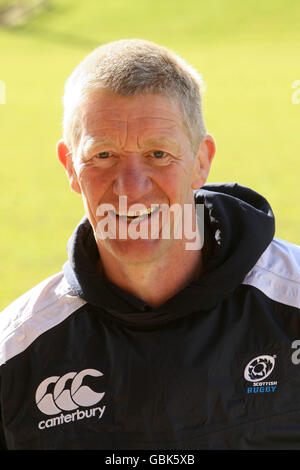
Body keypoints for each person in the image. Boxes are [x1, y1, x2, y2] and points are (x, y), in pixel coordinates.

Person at [1, 39, 300, 451]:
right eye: (103, 155)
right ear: (70, 167)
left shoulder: (291, 301)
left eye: (158, 154)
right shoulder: (15, 355)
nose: (131, 188)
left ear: (201, 161)